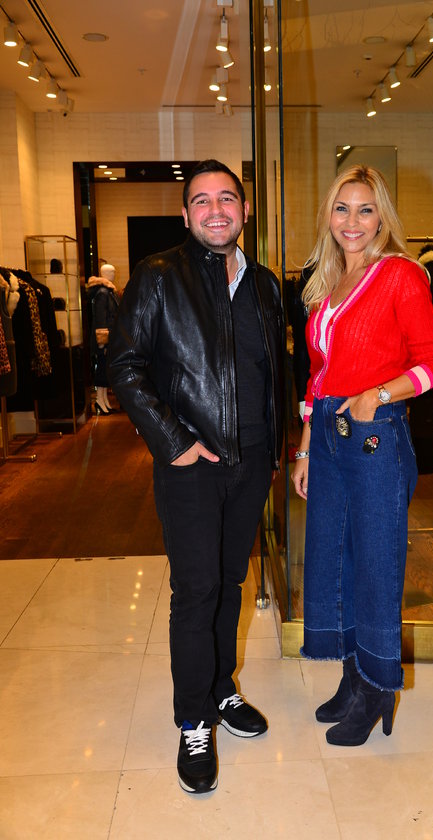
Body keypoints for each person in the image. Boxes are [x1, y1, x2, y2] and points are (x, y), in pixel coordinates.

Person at [108, 159, 284, 794]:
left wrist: (279, 449)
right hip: (190, 467)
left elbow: (274, 372)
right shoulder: (159, 275)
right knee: (196, 590)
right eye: (202, 200)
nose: (216, 210)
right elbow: (123, 365)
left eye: (227, 198)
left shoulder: (264, 285)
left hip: (252, 462)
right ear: (185, 214)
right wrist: (175, 442)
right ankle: (193, 719)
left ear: (244, 210)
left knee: (231, 581)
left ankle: (220, 688)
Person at [291, 165, 433, 747]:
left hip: (374, 434)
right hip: (328, 438)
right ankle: (351, 677)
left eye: (365, 209)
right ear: (328, 216)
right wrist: (305, 449)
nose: (352, 221)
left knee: (376, 565)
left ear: (382, 215)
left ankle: (377, 686)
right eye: (342, 208)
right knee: (332, 559)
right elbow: (318, 375)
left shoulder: (401, 274)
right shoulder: (326, 281)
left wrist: (377, 395)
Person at [86, 263, 120, 414]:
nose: (113, 274)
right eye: (111, 272)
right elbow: (100, 318)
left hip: (108, 337)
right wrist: (102, 341)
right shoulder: (102, 293)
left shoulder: (108, 291)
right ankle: (99, 400)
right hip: (103, 339)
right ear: (104, 274)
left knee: (105, 368)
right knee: (102, 368)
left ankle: (104, 399)